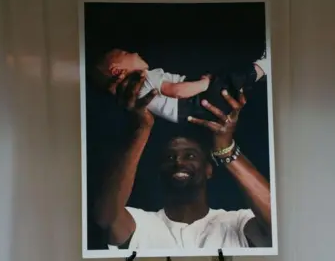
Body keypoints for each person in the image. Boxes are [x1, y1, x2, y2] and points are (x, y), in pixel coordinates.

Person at [93, 71, 272, 249]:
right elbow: (107, 220)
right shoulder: (141, 224)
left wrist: (226, 148)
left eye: (190, 155)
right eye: (170, 157)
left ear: (209, 169)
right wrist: (143, 128)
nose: (179, 162)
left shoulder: (237, 222)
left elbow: (276, 223)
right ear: (158, 170)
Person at [95, 48, 270, 123]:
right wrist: (206, 83)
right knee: (225, 78)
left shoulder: (133, 94)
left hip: (189, 113)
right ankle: (263, 67)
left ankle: (258, 74)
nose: (135, 52)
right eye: (126, 53)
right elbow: (177, 91)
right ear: (117, 71)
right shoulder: (146, 77)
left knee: (230, 86)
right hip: (192, 100)